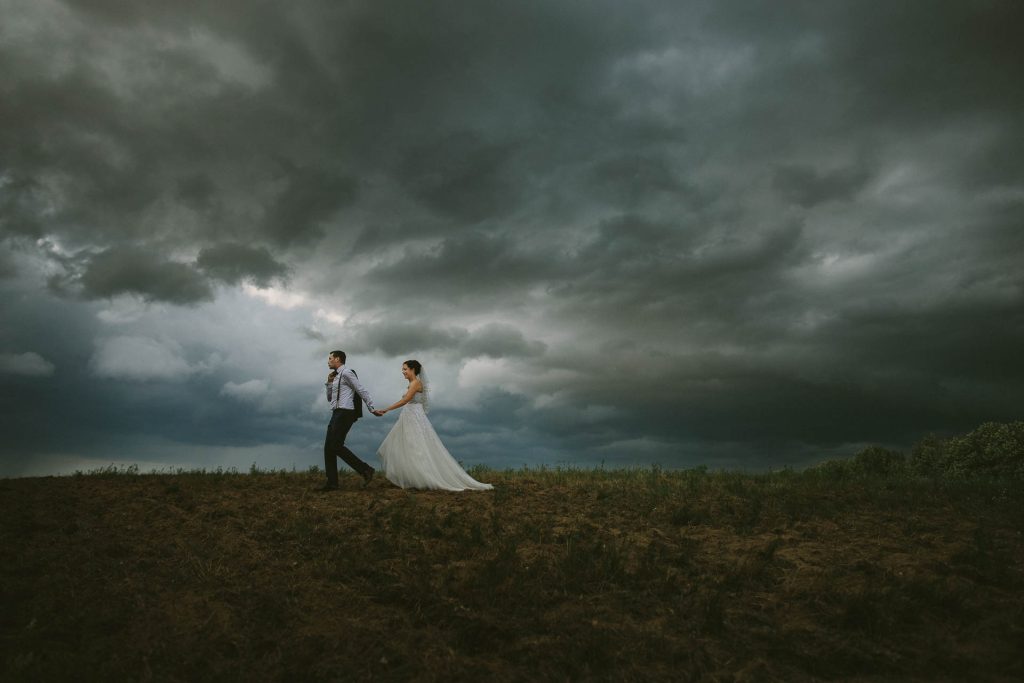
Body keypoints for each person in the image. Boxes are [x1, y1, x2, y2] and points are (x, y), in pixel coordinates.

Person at [373, 360, 493, 491]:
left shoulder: (416, 383)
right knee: (406, 446)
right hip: (409, 416)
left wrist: (387, 409)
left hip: (413, 417)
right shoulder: (413, 383)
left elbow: (406, 400)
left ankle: (424, 478)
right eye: (403, 369)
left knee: (417, 447)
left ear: (413, 369)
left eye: (405, 369)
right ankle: (414, 477)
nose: (403, 372)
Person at [321, 350, 379, 491]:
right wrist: (329, 383)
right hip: (336, 412)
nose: (328, 361)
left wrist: (371, 408)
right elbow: (330, 398)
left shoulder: (347, 373)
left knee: (335, 445)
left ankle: (365, 469)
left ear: (338, 359)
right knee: (328, 448)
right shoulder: (335, 377)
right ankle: (332, 483)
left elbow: (361, 390)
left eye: (330, 358)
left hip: (345, 412)